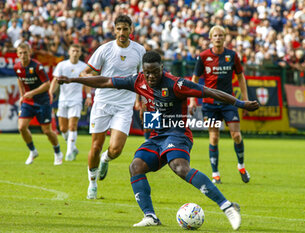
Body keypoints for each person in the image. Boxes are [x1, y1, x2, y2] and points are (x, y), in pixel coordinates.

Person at [57, 50, 259, 230]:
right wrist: (74, 80)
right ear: (143, 71)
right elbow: (105, 81)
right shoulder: (138, 81)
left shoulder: (176, 84)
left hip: (178, 133)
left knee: (179, 167)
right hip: (156, 136)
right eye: (147, 72)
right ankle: (150, 216)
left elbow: (209, 91)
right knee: (136, 167)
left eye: (155, 72)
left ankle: (227, 206)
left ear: (162, 68)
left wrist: (241, 103)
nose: (151, 76)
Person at [79, 15, 146, 199]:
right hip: (102, 103)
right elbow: (85, 72)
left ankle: (105, 160)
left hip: (124, 105)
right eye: (119, 29)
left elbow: (141, 79)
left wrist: (141, 101)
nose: (122, 33)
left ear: (131, 29)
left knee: (116, 150)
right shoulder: (105, 49)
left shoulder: (139, 50)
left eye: (125, 29)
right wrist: (89, 88)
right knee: (96, 146)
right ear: (114, 30)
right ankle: (92, 183)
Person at [189, 25, 250, 184]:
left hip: (228, 102)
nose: (218, 38)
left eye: (220, 35)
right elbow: (194, 80)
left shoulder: (232, 55)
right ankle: (215, 174)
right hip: (209, 105)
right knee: (214, 137)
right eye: (215, 35)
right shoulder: (203, 56)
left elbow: (241, 77)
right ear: (211, 38)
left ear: (225, 38)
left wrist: (244, 99)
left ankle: (241, 166)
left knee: (236, 135)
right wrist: (193, 100)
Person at [14, 42, 63, 165]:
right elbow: (20, 79)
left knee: (47, 131)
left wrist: (32, 93)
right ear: (17, 54)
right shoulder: (17, 67)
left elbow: (47, 84)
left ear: (29, 53)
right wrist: (22, 95)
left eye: (25, 52)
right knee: (21, 127)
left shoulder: (37, 66)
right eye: (20, 53)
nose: (23, 55)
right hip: (28, 101)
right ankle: (33, 151)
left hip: (42, 101)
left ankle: (57, 152)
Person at [49, 44, 91, 161]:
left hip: (76, 100)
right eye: (73, 50)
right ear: (69, 52)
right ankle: (73, 147)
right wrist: (50, 93)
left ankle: (68, 153)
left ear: (80, 53)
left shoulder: (83, 66)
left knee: (72, 126)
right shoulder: (62, 65)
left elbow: (86, 82)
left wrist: (88, 96)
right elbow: (55, 80)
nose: (75, 53)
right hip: (63, 99)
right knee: (62, 128)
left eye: (77, 51)